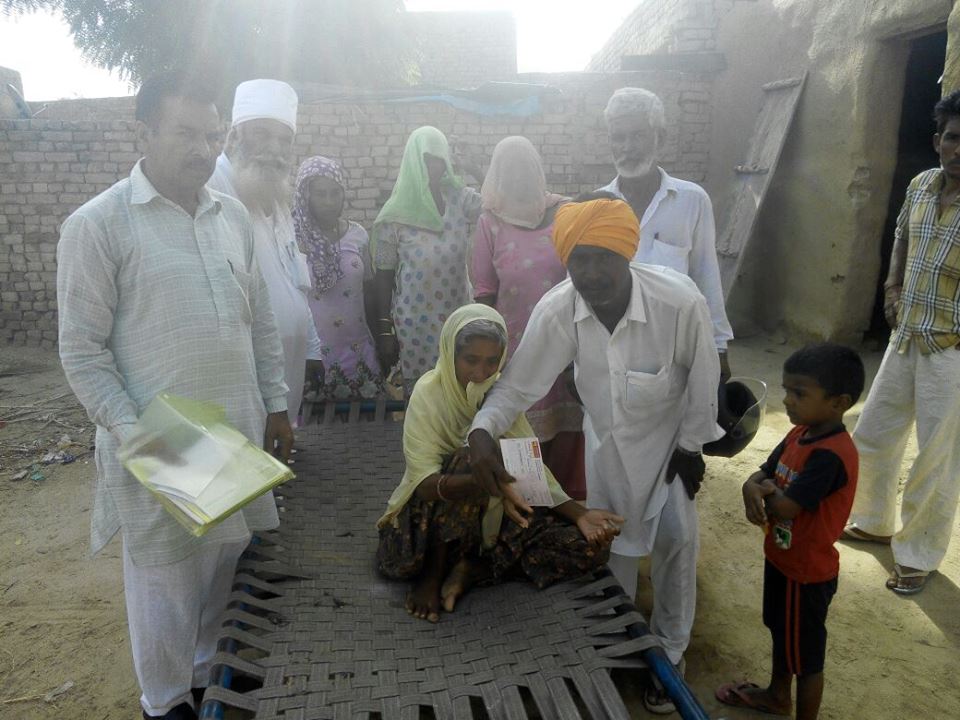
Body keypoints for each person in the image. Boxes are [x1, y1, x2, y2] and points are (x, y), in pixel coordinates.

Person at [57, 72, 292, 720]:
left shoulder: (231, 216)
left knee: (223, 562)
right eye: (186, 133)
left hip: (234, 430)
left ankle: (207, 676)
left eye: (213, 136)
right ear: (145, 132)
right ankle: (163, 703)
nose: (203, 149)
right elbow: (81, 351)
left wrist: (276, 403)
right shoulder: (98, 225)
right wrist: (135, 432)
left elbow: (260, 321)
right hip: (156, 440)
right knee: (165, 583)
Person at [468, 198, 723, 714]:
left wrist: (692, 447)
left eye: (602, 258)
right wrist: (481, 432)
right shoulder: (560, 309)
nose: (590, 273)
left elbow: (704, 378)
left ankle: (670, 652)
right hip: (606, 446)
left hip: (669, 447)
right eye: (578, 260)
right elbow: (517, 386)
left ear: (627, 254)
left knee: (676, 543)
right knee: (612, 547)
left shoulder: (679, 303)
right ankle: (621, 645)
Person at [376, 304, 623, 623]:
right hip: (434, 523)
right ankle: (434, 573)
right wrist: (487, 481)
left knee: (589, 549)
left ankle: (473, 568)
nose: (481, 373)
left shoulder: (499, 393)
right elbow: (424, 485)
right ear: (450, 353)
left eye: (492, 361)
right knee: (470, 458)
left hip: (492, 521)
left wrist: (580, 514)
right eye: (471, 360)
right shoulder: (428, 394)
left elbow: (530, 469)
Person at [842, 90, 960, 594]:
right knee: (874, 434)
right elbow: (902, 238)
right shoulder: (921, 185)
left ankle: (917, 555)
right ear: (938, 141)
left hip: (950, 348)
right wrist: (891, 287)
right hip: (907, 334)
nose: (959, 149)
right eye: (953, 138)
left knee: (935, 457)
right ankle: (874, 521)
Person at [718, 344, 864, 720]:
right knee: (782, 633)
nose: (787, 400)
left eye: (799, 393)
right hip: (782, 559)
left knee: (808, 661)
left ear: (839, 403)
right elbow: (763, 472)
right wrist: (751, 486)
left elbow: (786, 507)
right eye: (787, 390)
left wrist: (761, 490)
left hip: (806, 574)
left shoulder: (831, 455)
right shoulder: (800, 433)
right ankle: (777, 696)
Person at [470, 136, 584, 496]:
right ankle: (530, 511)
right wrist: (490, 360)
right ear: (497, 176)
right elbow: (484, 294)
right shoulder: (489, 223)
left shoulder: (565, 212)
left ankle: (569, 510)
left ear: (537, 169)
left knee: (570, 430)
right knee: (521, 435)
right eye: (509, 171)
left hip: (569, 349)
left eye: (525, 168)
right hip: (517, 350)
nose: (518, 178)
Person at [208, 78, 323, 424]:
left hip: (284, 373)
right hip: (241, 375)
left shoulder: (274, 194)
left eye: (284, 140)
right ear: (234, 135)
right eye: (262, 133)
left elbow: (295, 279)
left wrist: (312, 347)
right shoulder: (213, 187)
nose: (274, 148)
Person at [598, 87, 734, 378]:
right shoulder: (597, 206)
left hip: (675, 347)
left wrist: (719, 347)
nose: (627, 147)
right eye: (619, 137)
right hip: (610, 348)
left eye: (638, 135)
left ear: (661, 138)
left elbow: (706, 275)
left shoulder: (691, 200)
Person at [371, 126, 482, 392]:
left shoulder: (459, 198)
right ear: (412, 160)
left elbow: (497, 204)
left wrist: (475, 168)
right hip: (415, 327)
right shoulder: (395, 214)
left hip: (458, 317)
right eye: (427, 159)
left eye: (439, 158)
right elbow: (383, 276)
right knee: (423, 397)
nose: (434, 166)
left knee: (462, 392)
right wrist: (385, 332)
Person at [293, 156, 383, 400]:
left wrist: (382, 340)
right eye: (320, 194)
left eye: (335, 193)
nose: (329, 201)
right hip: (313, 360)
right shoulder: (292, 239)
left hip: (360, 354)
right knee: (317, 422)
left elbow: (370, 294)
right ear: (306, 195)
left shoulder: (358, 235)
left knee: (367, 420)